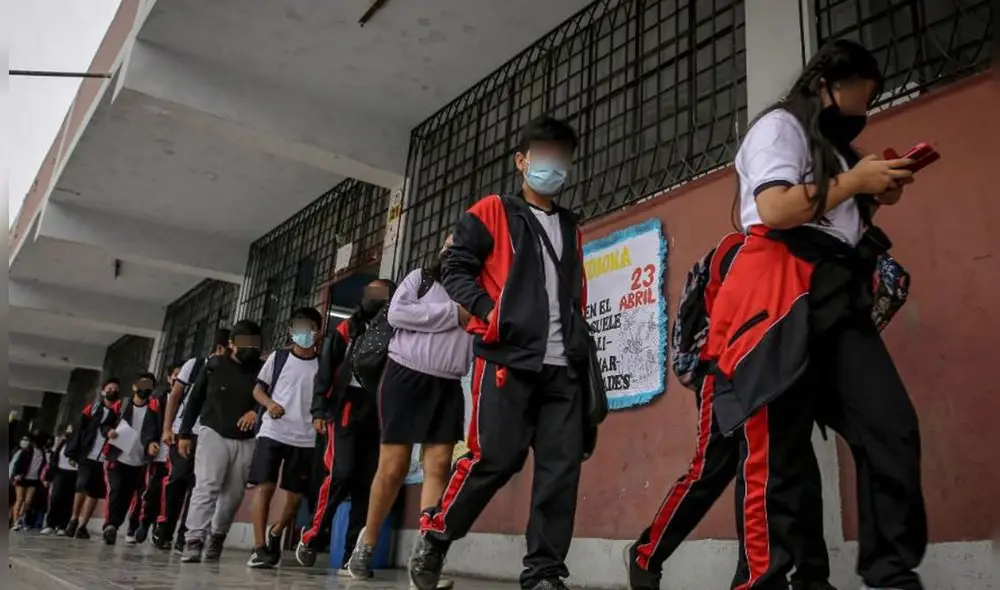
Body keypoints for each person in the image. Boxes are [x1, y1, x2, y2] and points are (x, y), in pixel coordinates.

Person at [704, 40, 926, 590]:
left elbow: (837, 219)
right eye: (860, 96)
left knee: (889, 427)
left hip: (837, 296)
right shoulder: (779, 127)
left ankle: (892, 573)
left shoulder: (836, 150)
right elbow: (777, 206)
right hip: (781, 294)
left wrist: (875, 191)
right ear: (827, 84)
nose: (862, 110)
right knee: (781, 455)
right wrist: (855, 182)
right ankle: (779, 579)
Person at [409, 115, 590, 590]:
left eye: (562, 156)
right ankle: (437, 535)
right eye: (544, 154)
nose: (553, 164)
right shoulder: (492, 210)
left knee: (560, 472)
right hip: (508, 358)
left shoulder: (570, 226)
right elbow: (454, 268)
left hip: (563, 368)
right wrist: (490, 312)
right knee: (495, 458)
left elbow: (573, 293)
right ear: (521, 161)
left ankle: (544, 573)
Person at [345, 237, 473, 583]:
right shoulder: (421, 279)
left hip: (447, 383)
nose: (451, 252)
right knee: (393, 467)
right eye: (447, 245)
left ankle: (424, 558)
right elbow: (398, 313)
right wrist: (453, 314)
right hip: (404, 377)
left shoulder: (477, 291)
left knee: (439, 467)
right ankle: (366, 543)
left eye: (460, 246)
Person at [296, 279, 395, 574]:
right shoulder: (347, 329)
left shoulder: (398, 331)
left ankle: (353, 554)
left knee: (368, 483)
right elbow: (326, 370)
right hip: (347, 406)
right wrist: (319, 409)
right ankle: (313, 535)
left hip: (379, 410)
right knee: (342, 473)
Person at [177, 320, 264, 563]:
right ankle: (194, 539)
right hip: (213, 431)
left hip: (245, 438)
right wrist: (184, 433)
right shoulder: (214, 365)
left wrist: (256, 411)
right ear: (231, 344)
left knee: (233, 495)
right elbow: (194, 400)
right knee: (207, 486)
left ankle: (217, 536)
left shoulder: (263, 369)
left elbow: (273, 395)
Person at [245, 306, 323, 569]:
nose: (304, 333)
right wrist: (269, 404)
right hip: (273, 430)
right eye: (299, 328)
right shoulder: (278, 358)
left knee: (295, 498)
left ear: (317, 332)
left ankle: (277, 531)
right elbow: (258, 390)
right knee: (264, 486)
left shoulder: (322, 365)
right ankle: (259, 548)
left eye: (309, 328)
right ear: (291, 331)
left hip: (305, 438)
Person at [154, 331, 230, 552]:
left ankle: (185, 534)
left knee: (199, 486)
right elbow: (175, 396)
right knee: (177, 479)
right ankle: (165, 526)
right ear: (220, 348)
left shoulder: (231, 372)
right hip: (184, 432)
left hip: (211, 435)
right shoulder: (195, 365)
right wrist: (167, 428)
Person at [101, 372, 162, 545]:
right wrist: (109, 432)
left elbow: (155, 432)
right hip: (118, 457)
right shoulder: (121, 405)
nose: (145, 389)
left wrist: (152, 444)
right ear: (134, 386)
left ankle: (127, 527)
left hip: (139, 461)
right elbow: (105, 425)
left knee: (131, 496)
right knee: (116, 490)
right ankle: (110, 526)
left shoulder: (154, 409)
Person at [64, 378, 122, 539]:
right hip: (88, 454)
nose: (112, 392)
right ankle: (73, 519)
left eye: (115, 390)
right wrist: (74, 452)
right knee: (82, 486)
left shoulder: (120, 414)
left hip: (105, 458)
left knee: (95, 492)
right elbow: (79, 430)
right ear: (103, 392)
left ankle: (83, 526)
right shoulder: (93, 409)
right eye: (109, 389)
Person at [133, 365, 180, 543]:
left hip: (177, 456)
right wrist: (150, 442)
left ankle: (162, 528)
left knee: (171, 495)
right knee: (151, 491)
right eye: (175, 375)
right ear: (168, 378)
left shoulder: (189, 399)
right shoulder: (157, 401)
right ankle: (144, 522)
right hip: (159, 454)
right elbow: (149, 424)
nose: (178, 379)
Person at [40, 425, 79, 536]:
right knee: (55, 497)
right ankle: (50, 524)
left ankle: (62, 525)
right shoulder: (62, 444)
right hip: (60, 472)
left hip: (74, 473)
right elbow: (54, 460)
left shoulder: (80, 444)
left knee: (68, 500)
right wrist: (48, 477)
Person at [10, 433, 47, 531]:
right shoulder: (26, 451)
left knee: (28, 501)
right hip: (22, 478)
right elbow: (18, 463)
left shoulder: (41, 452)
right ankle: (15, 521)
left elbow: (43, 464)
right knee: (19, 499)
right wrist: (16, 475)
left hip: (34, 479)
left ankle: (21, 518)